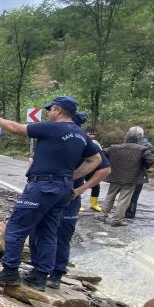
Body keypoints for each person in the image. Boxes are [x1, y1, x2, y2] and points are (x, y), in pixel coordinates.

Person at [0, 96, 102, 290]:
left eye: (51, 109)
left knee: (16, 227)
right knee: (48, 232)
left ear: (59, 110)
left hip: (43, 186)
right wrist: (71, 176)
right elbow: (95, 159)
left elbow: (17, 128)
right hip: (63, 190)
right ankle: (39, 276)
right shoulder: (80, 135)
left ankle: (10, 270)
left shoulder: (52, 128)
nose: (48, 113)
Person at [31, 111, 111, 289]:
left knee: (58, 234)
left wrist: (80, 187)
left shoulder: (82, 142)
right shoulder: (57, 137)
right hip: (49, 192)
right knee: (41, 231)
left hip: (67, 195)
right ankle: (41, 271)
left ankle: (55, 273)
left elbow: (104, 169)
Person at [101, 130, 154, 226]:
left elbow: (101, 153)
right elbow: (150, 160)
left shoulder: (114, 147)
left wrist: (109, 164)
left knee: (110, 195)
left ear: (125, 139)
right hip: (131, 177)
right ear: (137, 140)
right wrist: (142, 167)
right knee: (124, 199)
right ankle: (116, 220)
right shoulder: (142, 149)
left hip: (115, 175)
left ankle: (102, 215)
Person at [125, 126, 154, 219]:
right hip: (132, 172)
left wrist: (143, 167)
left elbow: (149, 160)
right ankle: (126, 211)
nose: (128, 134)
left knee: (133, 195)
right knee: (130, 195)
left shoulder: (145, 146)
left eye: (130, 133)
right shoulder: (146, 145)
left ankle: (129, 213)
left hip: (137, 173)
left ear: (138, 135)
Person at [83, 127, 103, 212]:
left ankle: (94, 204)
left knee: (96, 185)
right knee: (78, 185)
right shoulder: (81, 141)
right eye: (90, 134)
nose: (92, 136)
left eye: (94, 134)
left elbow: (101, 154)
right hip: (81, 166)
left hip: (91, 167)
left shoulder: (96, 143)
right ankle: (77, 204)